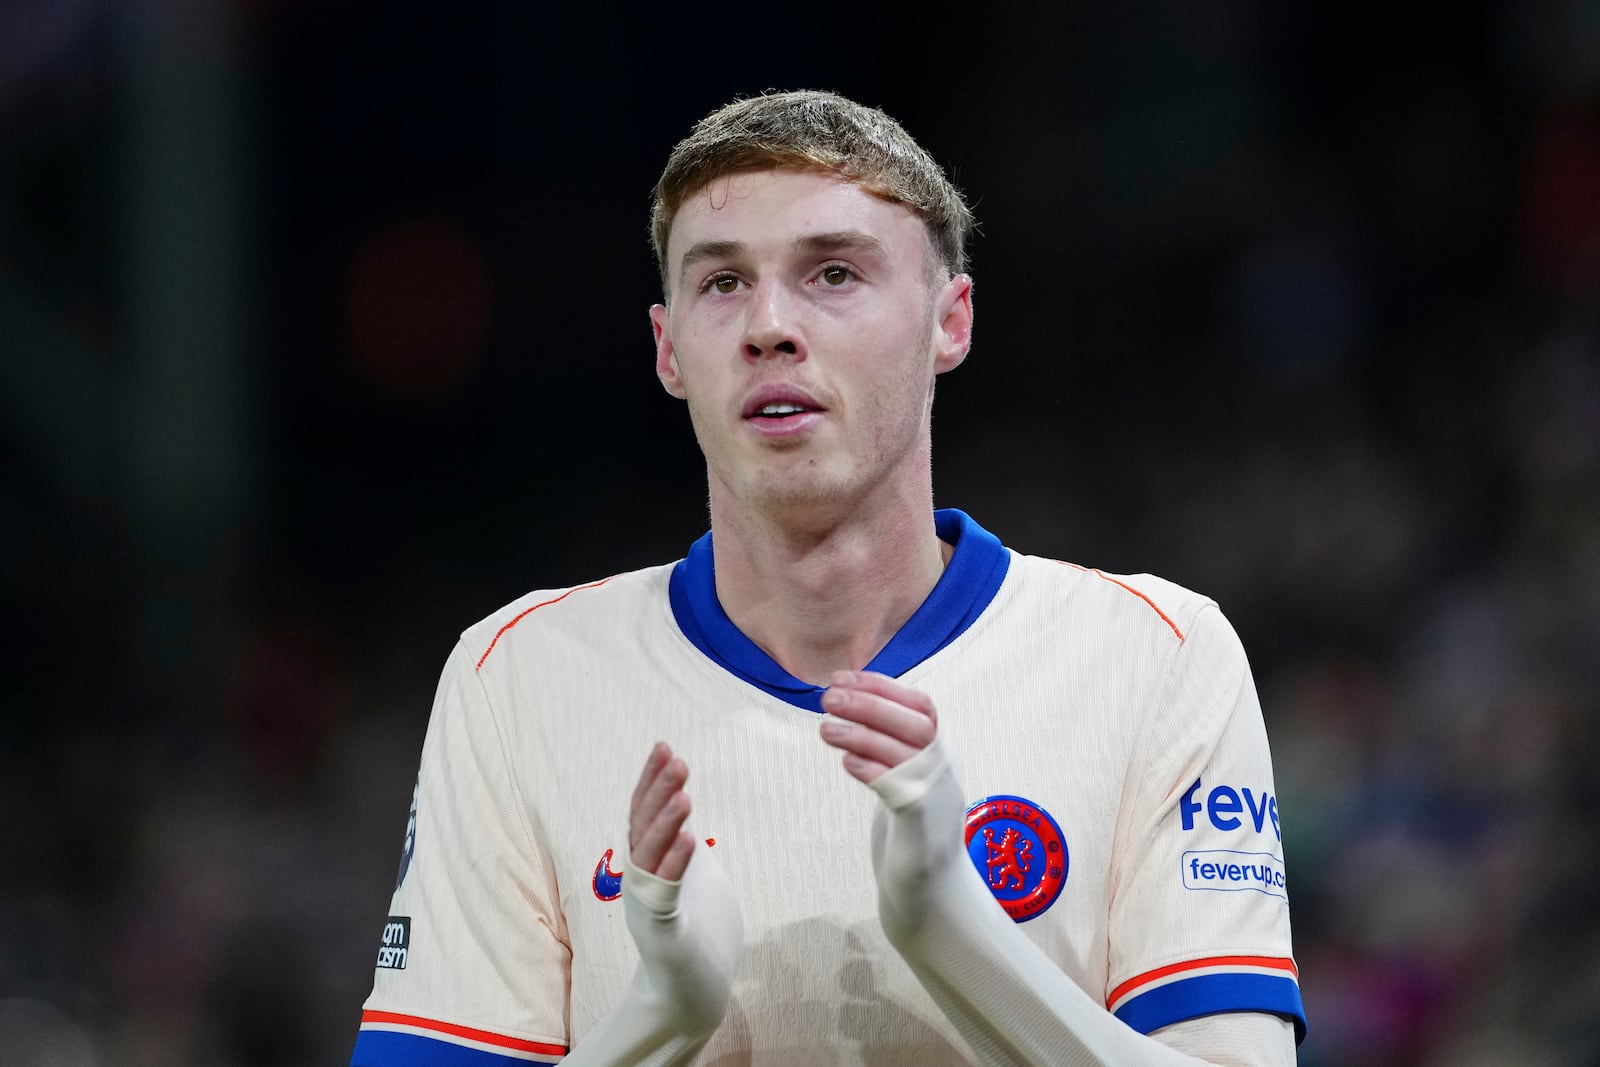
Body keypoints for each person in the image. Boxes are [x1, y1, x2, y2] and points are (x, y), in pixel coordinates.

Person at [349, 89, 1306, 1066]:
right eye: (721, 283)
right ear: (667, 346)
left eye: (833, 272)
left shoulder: (1156, 657)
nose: (768, 325)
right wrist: (658, 1018)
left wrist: (965, 946)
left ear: (950, 319)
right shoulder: (516, 680)